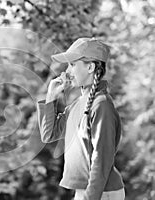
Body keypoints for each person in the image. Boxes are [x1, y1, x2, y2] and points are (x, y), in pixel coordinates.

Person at [37, 38, 125, 200]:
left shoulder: (101, 104)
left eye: (72, 64)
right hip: (87, 191)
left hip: (101, 193)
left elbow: (101, 158)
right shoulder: (78, 105)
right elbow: (48, 134)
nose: (67, 71)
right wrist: (51, 97)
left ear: (90, 67)